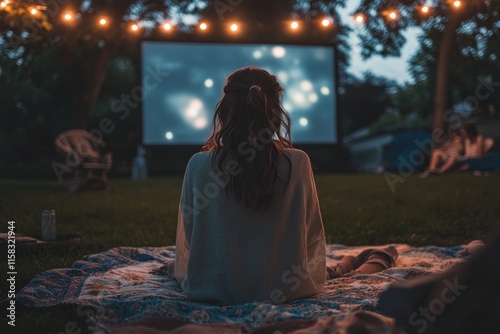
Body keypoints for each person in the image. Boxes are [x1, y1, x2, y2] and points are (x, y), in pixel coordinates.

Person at [174, 66, 397, 306]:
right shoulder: (297, 162)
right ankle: (377, 254)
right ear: (274, 111)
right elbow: (310, 235)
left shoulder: (198, 164)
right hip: (287, 289)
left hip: (212, 290)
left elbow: (191, 235)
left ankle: (366, 257)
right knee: (375, 257)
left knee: (173, 269)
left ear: (225, 110)